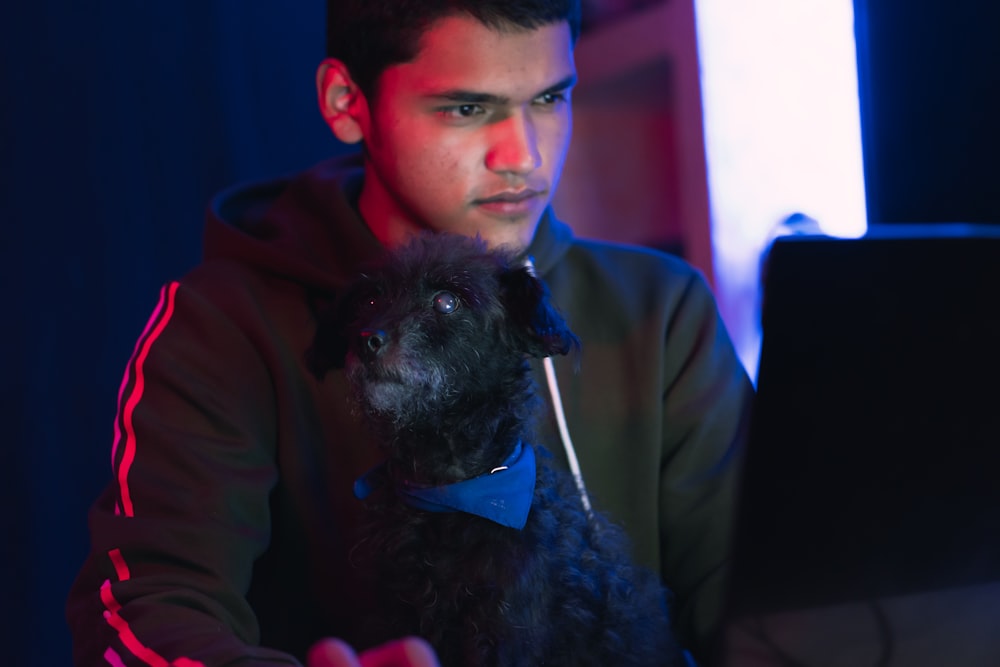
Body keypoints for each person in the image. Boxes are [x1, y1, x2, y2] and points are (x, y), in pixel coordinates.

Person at [66, 1, 753, 665]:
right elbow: (144, 607)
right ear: (345, 102)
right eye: (466, 108)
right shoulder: (219, 327)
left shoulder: (662, 309)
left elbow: (772, 613)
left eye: (548, 99)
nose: (523, 156)